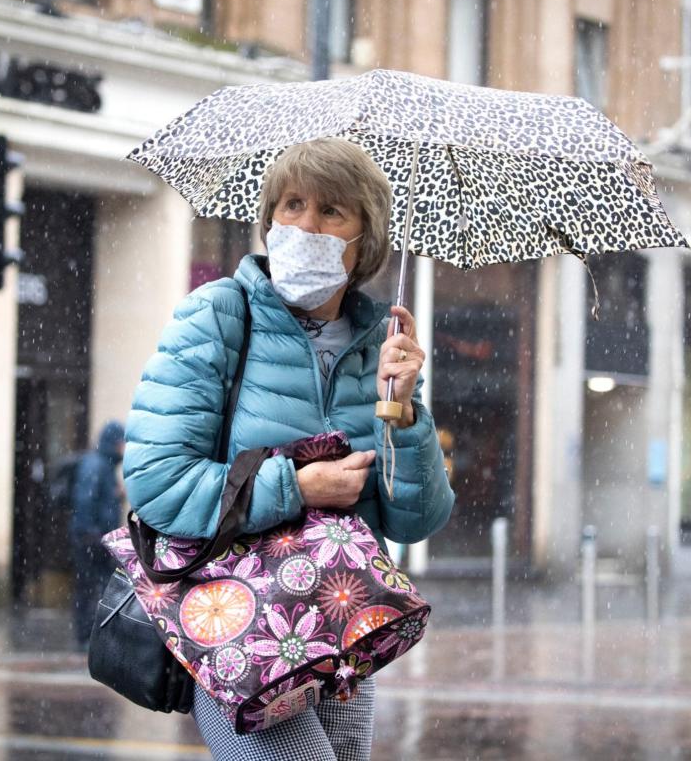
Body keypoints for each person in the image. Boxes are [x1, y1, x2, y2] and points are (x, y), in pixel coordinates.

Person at [123, 138, 455, 760]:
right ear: (269, 218)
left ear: (366, 241)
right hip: (241, 628)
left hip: (339, 632)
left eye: (332, 212)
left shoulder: (376, 352)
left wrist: (404, 411)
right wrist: (297, 487)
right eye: (292, 204)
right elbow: (157, 479)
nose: (306, 224)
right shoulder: (218, 315)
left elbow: (416, 520)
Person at [70, 420, 126, 648]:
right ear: (115, 443)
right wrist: (90, 534)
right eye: (123, 442)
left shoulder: (105, 466)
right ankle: (87, 637)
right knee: (90, 587)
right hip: (92, 539)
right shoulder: (97, 466)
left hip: (98, 537)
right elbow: (85, 501)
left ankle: (94, 636)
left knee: (96, 586)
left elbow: (100, 501)